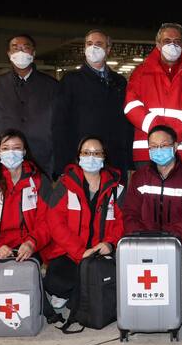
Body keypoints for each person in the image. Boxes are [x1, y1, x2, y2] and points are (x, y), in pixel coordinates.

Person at [0, 129, 56, 322]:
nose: (11, 152)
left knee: (28, 281)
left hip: (30, 247)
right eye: (5, 148)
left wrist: (32, 243)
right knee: (3, 284)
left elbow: (48, 221)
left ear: (25, 152)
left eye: (16, 148)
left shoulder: (39, 181)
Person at [44, 136, 125, 321]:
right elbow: (55, 223)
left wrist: (110, 244)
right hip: (71, 253)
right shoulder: (65, 185)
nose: (91, 157)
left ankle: (81, 294)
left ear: (104, 157)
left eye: (97, 153)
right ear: (78, 156)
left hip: (102, 254)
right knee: (55, 282)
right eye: (86, 153)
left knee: (115, 281)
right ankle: (76, 293)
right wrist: (80, 252)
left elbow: (123, 222)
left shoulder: (117, 188)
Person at [124, 23, 182, 168]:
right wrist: (161, 134)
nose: (173, 45)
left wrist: (173, 133)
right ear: (158, 44)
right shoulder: (141, 72)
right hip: (148, 151)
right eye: (167, 41)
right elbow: (131, 106)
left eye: (177, 41)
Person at [53, 29, 133, 176]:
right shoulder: (71, 80)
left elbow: (126, 122)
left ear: (108, 49)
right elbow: (59, 123)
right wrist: (63, 163)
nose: (93, 48)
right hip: (83, 158)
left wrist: (128, 158)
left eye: (98, 44)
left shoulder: (119, 82)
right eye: (89, 44)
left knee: (113, 197)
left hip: (114, 158)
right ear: (84, 49)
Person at [0, 34, 58, 175]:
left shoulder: (51, 86)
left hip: (41, 161)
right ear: (9, 54)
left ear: (33, 53)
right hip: (3, 160)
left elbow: (59, 126)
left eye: (25, 48)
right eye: (15, 48)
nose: (20, 52)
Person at [122, 125, 182, 244]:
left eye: (164, 145)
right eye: (153, 146)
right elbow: (130, 214)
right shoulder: (139, 177)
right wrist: (145, 237)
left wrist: (168, 238)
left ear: (175, 146)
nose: (158, 149)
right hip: (143, 241)